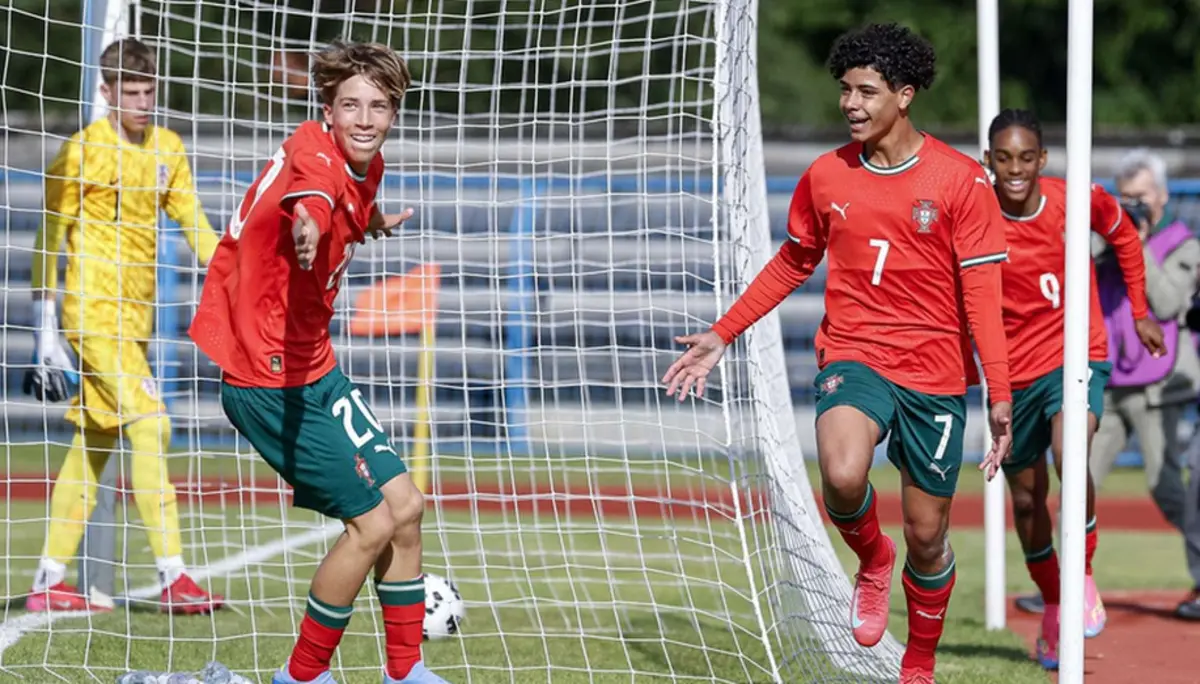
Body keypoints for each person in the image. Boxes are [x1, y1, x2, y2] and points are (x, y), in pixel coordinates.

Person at [662, 23, 1012, 684]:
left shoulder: (961, 181)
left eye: (867, 91)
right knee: (844, 473)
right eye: (845, 90)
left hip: (936, 374)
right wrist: (723, 332)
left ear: (905, 96)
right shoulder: (825, 176)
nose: (851, 103)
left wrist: (1000, 391)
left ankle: (919, 661)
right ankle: (872, 559)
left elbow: (982, 291)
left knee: (929, 535)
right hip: (854, 354)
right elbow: (793, 262)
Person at [187, 41, 445, 684]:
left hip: (314, 367)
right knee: (373, 522)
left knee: (407, 506)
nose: (365, 118)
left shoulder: (368, 166)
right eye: (350, 104)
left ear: (394, 113)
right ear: (326, 109)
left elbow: (344, 201)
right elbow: (314, 195)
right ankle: (300, 677)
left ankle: (405, 673)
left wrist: (371, 220)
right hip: (266, 380)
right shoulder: (316, 154)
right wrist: (309, 221)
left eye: (379, 106)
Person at [24, 37, 224, 614]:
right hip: (89, 315)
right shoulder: (81, 151)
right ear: (106, 93)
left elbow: (197, 226)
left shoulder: (167, 148)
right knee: (153, 425)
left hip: (135, 323)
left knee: (94, 444)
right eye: (129, 92)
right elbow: (48, 236)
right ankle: (174, 577)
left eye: (148, 92)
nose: (141, 102)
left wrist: (240, 273)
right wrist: (45, 333)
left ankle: (48, 581)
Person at [984, 109, 1165, 669]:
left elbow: (1126, 240)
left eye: (1026, 157)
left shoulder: (1073, 198)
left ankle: (1081, 574)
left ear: (1042, 159)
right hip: (1012, 374)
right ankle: (1055, 604)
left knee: (1071, 452)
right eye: (1004, 158)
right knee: (1025, 498)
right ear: (989, 161)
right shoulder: (974, 213)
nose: (1015, 169)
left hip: (1075, 354)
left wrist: (1138, 312)